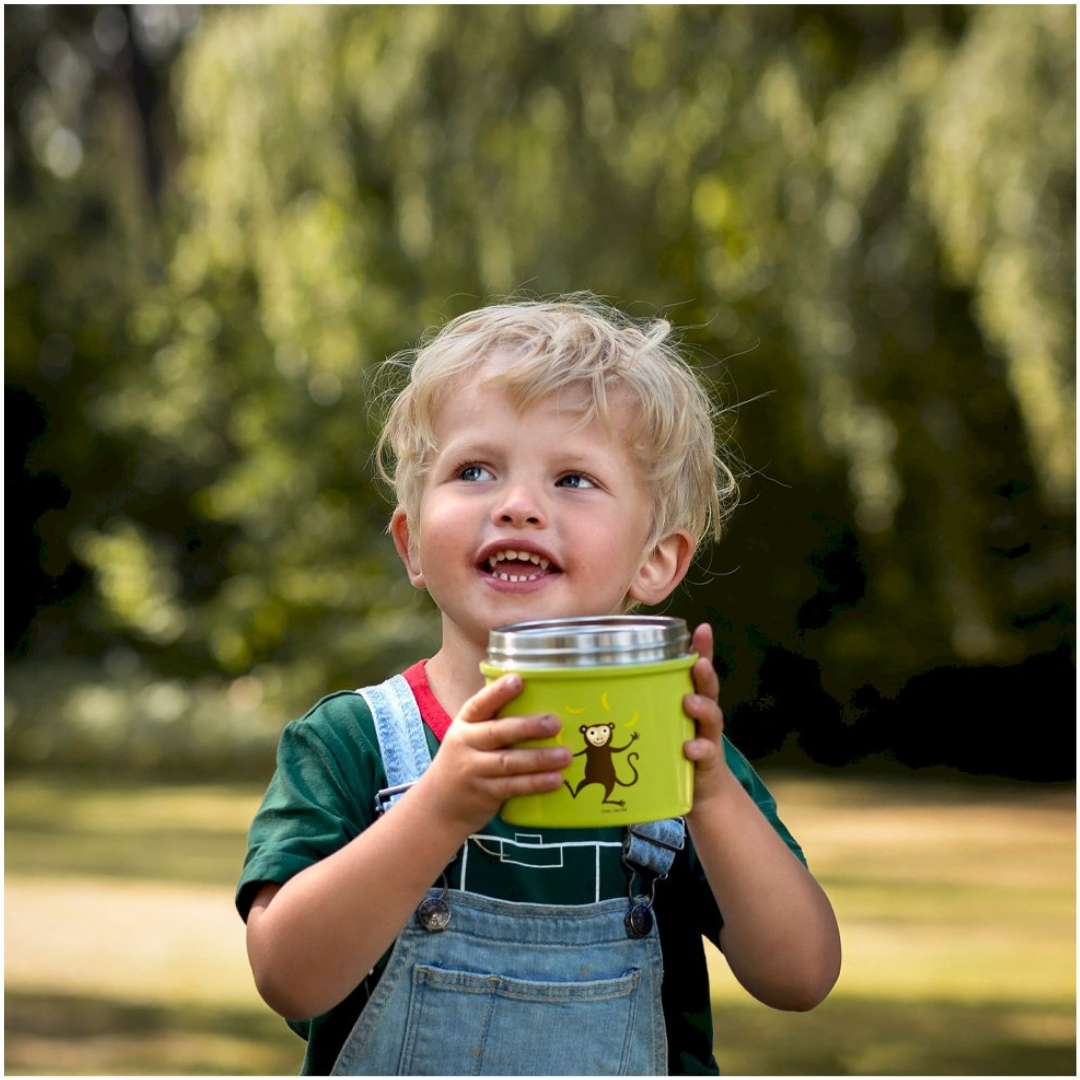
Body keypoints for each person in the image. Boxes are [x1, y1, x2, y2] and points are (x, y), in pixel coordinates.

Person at [236, 296, 841, 1075]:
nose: (518, 505)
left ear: (655, 560)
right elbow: (289, 978)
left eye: (574, 479)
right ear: (412, 543)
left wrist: (714, 797)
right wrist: (440, 806)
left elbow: (800, 977)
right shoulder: (351, 744)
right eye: (474, 470)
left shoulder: (677, 758)